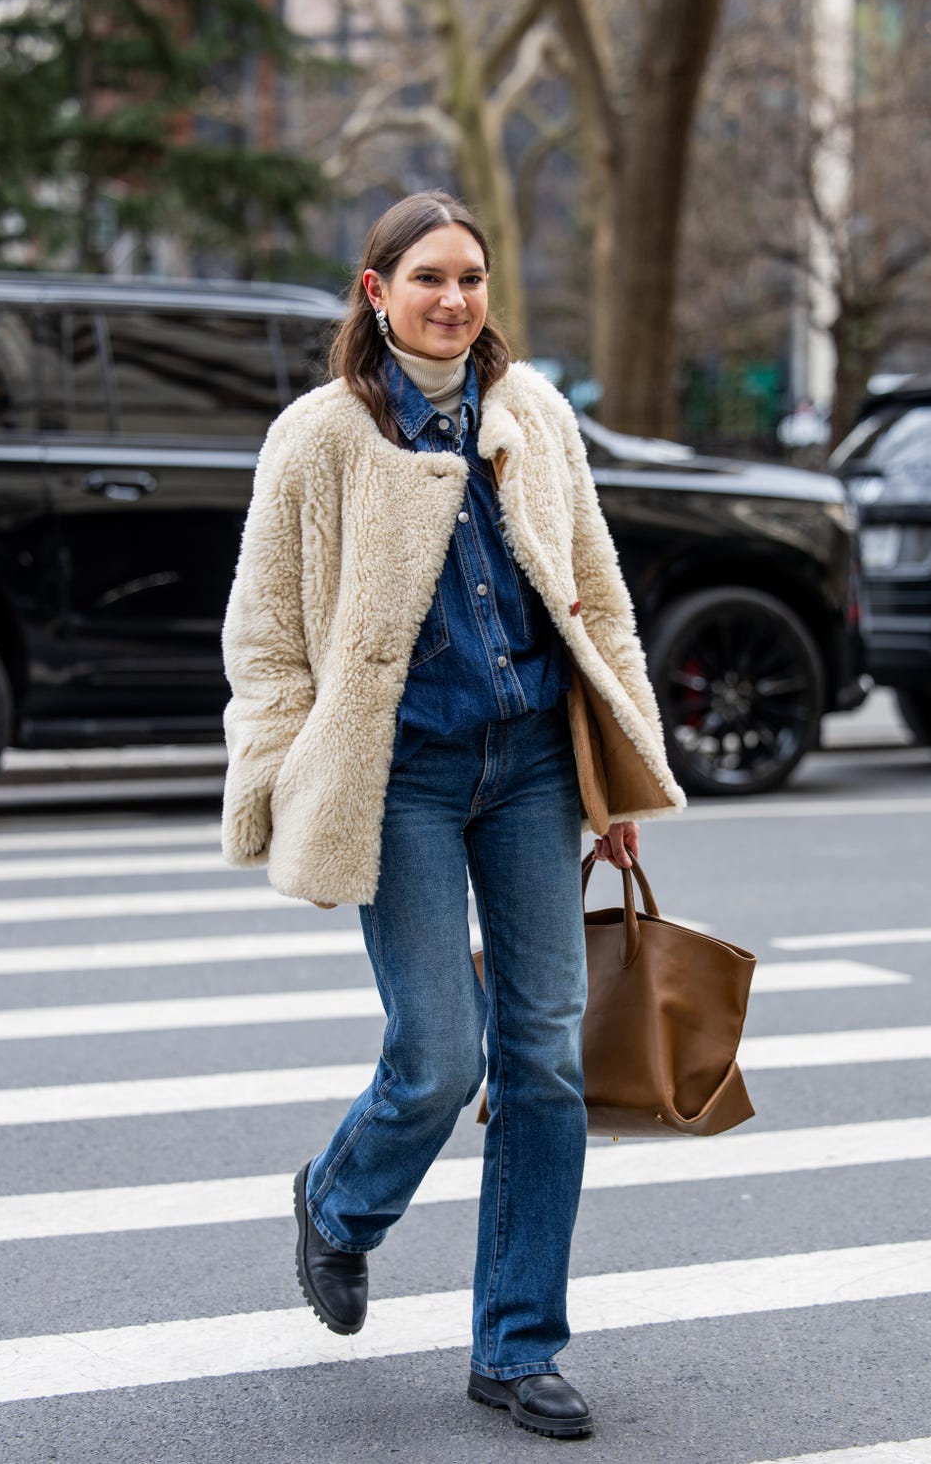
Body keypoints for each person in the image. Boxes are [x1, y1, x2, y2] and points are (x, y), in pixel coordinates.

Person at [221, 191, 684, 1440]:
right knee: (439, 1053)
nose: (453, 299)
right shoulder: (317, 438)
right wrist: (276, 778)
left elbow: (594, 591)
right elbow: (264, 644)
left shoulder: (531, 413)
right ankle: (338, 1205)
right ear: (377, 292)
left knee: (543, 1058)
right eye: (427, 277)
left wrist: (614, 771)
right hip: (403, 782)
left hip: (532, 764)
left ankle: (517, 1344)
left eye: (471, 277)